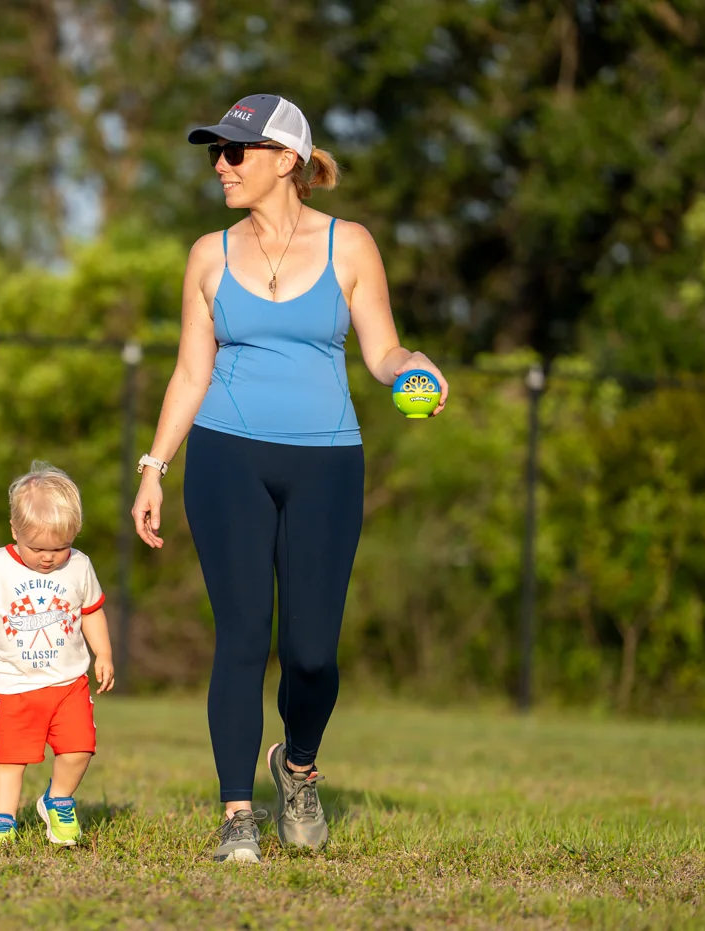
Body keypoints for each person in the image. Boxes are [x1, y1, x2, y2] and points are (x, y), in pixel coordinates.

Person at [130, 94, 448, 863]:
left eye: (236, 152)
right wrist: (153, 466)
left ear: (286, 160)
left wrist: (416, 369)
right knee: (241, 637)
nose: (221, 165)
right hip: (225, 455)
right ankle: (237, 813)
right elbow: (188, 371)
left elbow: (382, 353)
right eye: (216, 151)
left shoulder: (350, 245)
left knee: (311, 652)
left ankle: (296, 766)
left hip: (326, 463)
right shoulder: (209, 254)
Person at [0, 462, 115, 846]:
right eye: (37, 548)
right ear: (15, 531)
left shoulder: (80, 565)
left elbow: (91, 611)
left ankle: (58, 800)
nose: (49, 558)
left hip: (68, 684)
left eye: (60, 548)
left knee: (80, 749)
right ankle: (2, 819)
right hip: (12, 685)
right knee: (10, 760)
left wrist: (103, 653)